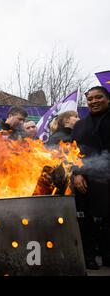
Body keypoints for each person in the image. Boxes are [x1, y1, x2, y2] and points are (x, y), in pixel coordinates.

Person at [71, 86, 110, 270]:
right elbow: (73, 153)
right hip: (86, 181)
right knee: (85, 221)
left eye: (98, 97)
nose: (94, 101)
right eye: (90, 99)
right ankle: (89, 257)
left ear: (107, 99)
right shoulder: (80, 126)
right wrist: (77, 174)